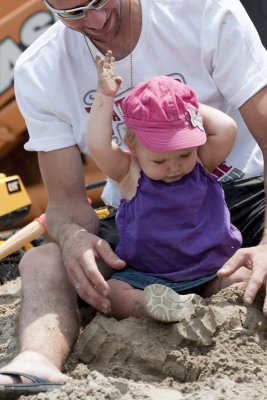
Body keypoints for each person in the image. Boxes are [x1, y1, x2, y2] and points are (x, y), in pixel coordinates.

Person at [0, 0, 267, 395]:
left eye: (98, 1)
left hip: (243, 194)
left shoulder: (205, 10)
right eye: (72, 13)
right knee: (43, 259)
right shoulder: (40, 68)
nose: (94, 20)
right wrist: (75, 240)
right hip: (141, 228)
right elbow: (66, 206)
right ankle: (39, 358)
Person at [87, 50, 243, 321]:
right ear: (132, 146)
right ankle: (155, 307)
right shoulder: (129, 173)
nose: (174, 167)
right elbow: (98, 145)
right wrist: (105, 96)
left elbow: (227, 126)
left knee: (242, 277)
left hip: (213, 267)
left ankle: (207, 297)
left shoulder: (201, 163)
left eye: (184, 154)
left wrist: (179, 104)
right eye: (159, 160)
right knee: (113, 291)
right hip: (150, 277)